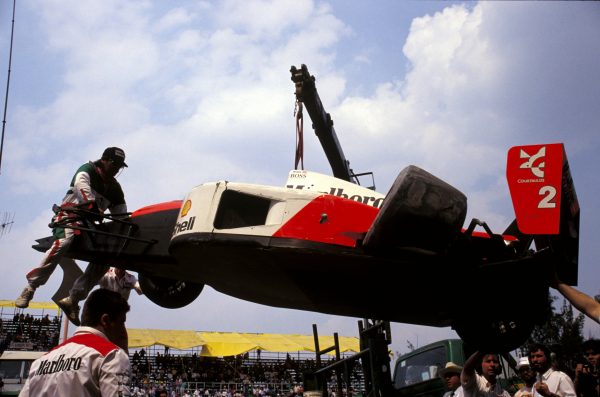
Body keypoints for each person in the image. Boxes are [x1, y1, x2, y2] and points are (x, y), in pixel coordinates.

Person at [15, 147, 128, 326]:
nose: (116, 169)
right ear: (104, 160)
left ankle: (73, 300)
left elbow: (121, 215)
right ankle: (31, 287)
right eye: (114, 164)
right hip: (70, 217)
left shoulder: (115, 188)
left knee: (105, 258)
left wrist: (125, 227)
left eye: (119, 167)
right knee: (64, 242)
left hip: (91, 227)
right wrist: (91, 204)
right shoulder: (87, 169)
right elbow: (80, 185)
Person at [19, 288, 131, 396]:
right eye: (122, 322)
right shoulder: (111, 356)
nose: (123, 330)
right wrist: (123, 352)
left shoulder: (39, 362)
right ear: (105, 320)